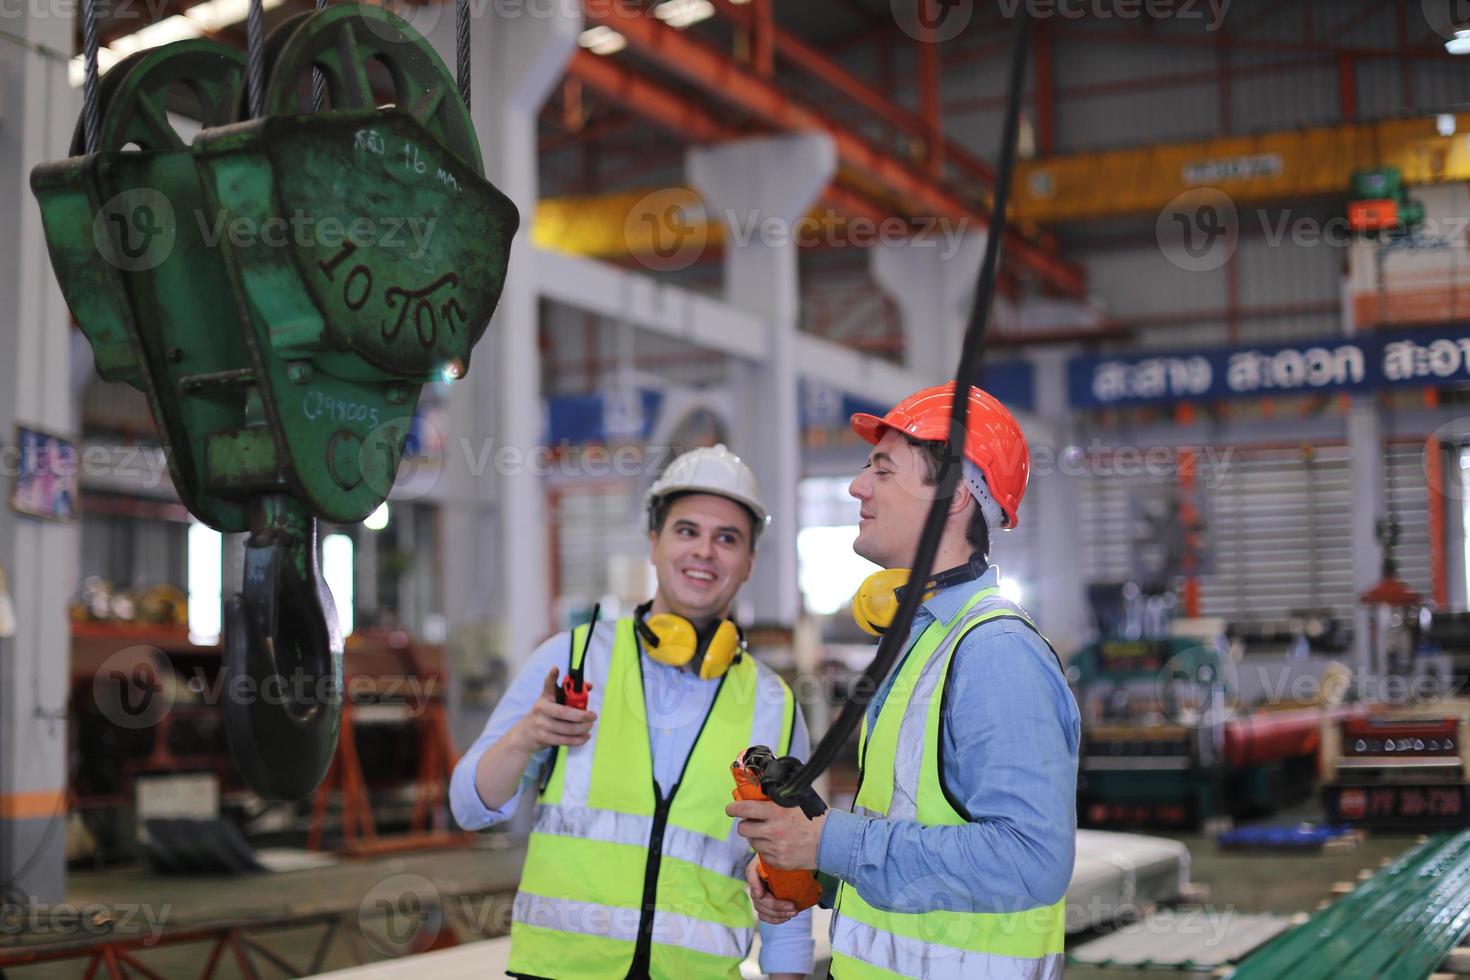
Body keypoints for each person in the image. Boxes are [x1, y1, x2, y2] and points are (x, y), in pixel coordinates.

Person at [728, 383, 1081, 979]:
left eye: (883, 470)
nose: (857, 486)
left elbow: (1031, 862)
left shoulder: (995, 653)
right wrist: (816, 874)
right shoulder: (920, 644)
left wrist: (830, 844)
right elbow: (916, 843)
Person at [450, 444, 814, 980]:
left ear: (749, 561)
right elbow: (469, 806)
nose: (705, 552)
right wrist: (525, 737)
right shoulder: (573, 659)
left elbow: (787, 867)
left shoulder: (773, 704)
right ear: (654, 542)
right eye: (687, 531)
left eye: (727, 538)